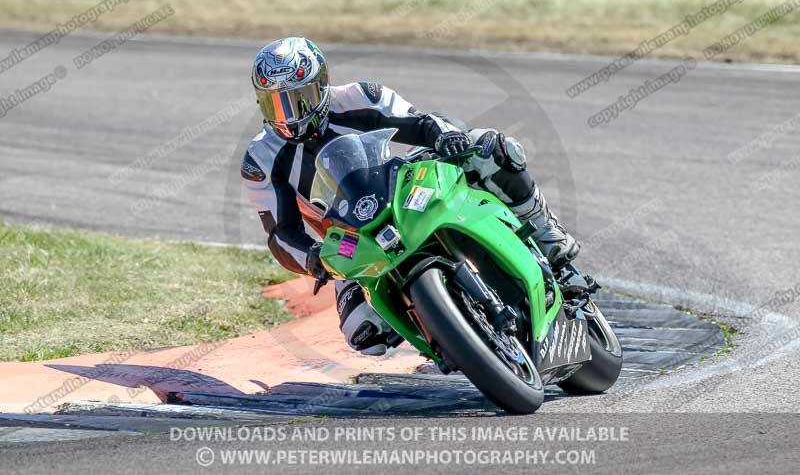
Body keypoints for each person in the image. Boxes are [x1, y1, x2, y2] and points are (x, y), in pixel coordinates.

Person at [242, 37, 580, 355]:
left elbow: (420, 122)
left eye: (299, 98)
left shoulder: (360, 96)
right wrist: (314, 258)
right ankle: (448, 335)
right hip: (346, 241)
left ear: (322, 84)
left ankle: (548, 238)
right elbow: (280, 233)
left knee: (491, 148)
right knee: (365, 336)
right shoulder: (261, 157)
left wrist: (447, 137)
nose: (290, 114)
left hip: (402, 186)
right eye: (275, 104)